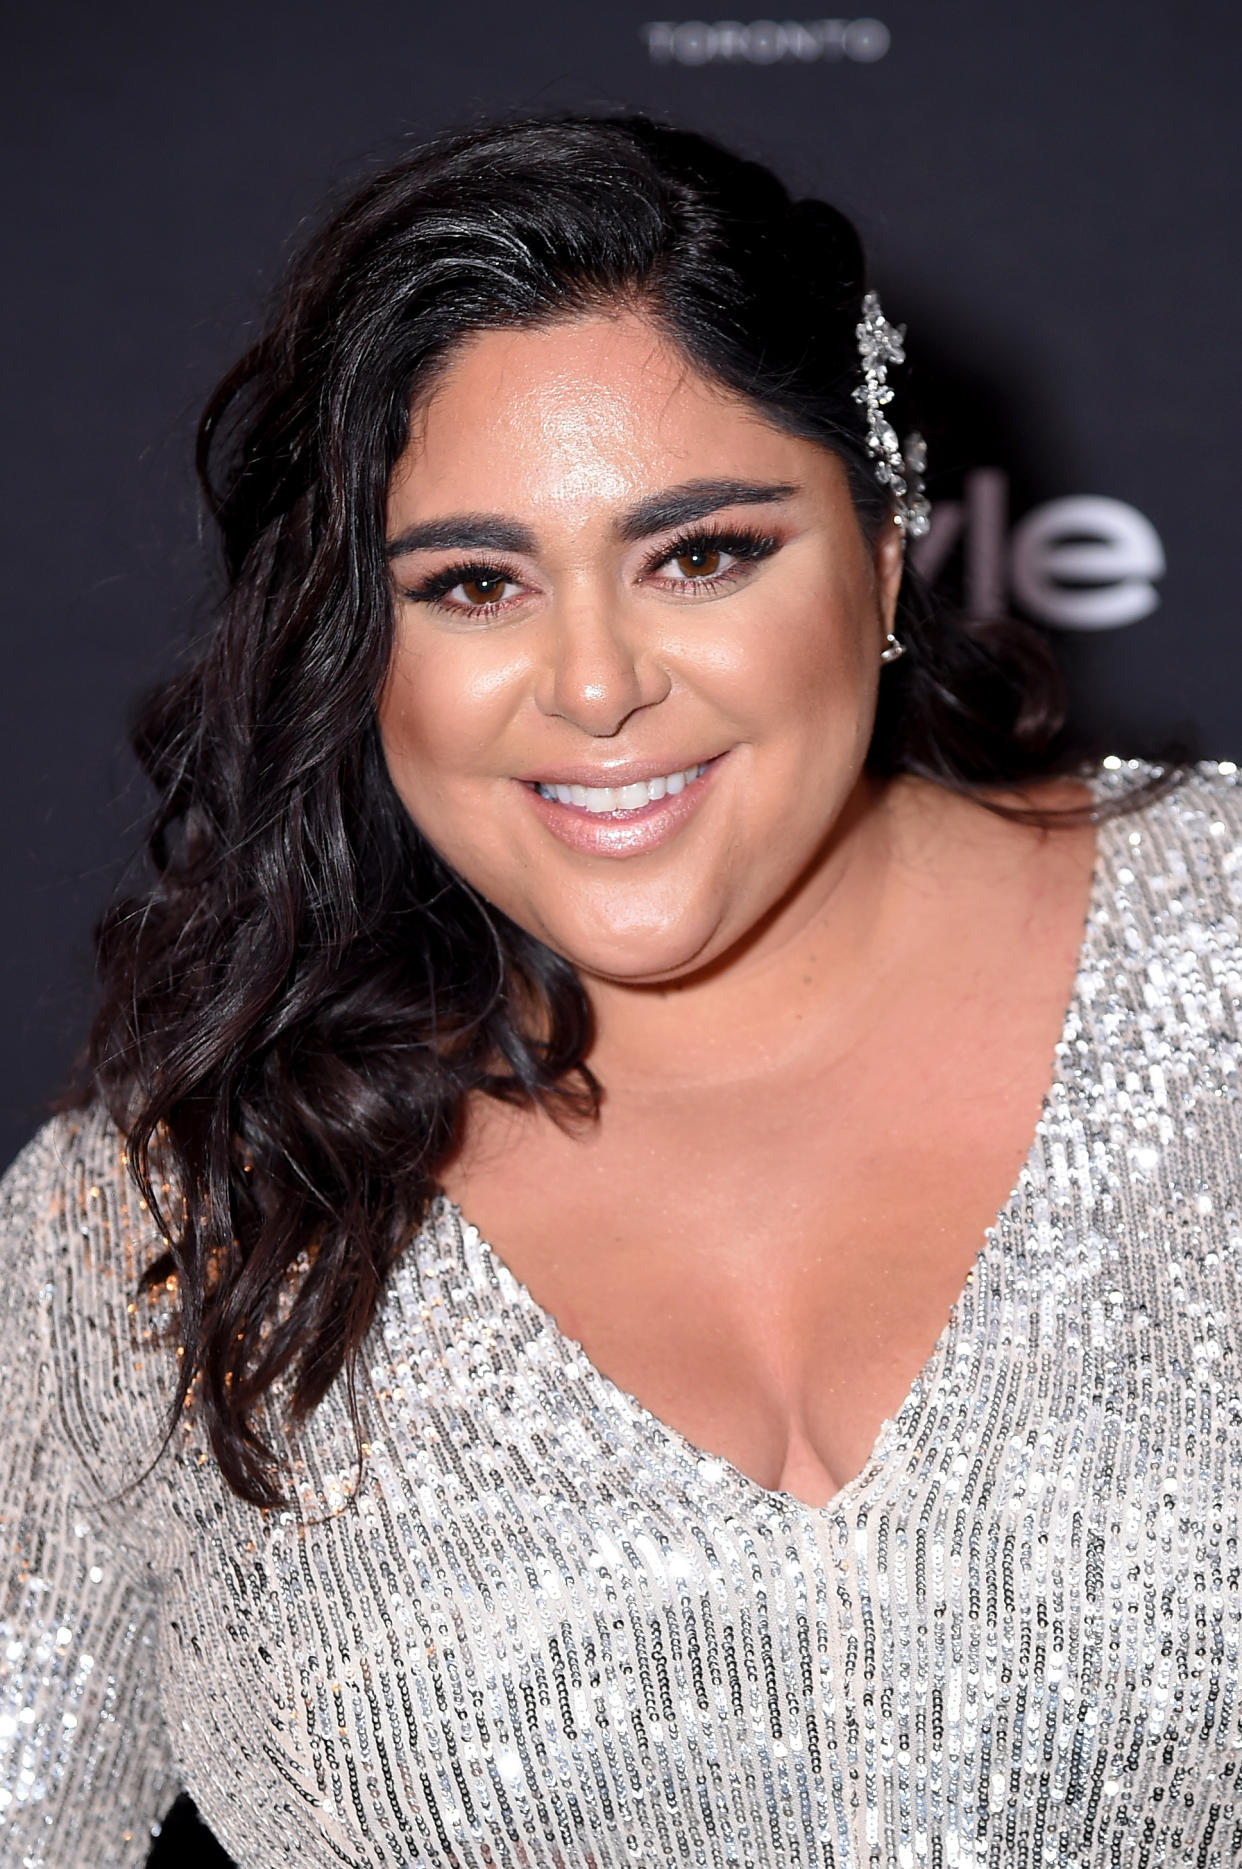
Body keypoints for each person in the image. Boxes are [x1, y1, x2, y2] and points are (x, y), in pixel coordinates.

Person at [1, 111, 1239, 1869]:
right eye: (472, 583)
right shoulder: (155, 1229)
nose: (592, 686)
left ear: (880, 558)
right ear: (361, 642)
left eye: (699, 553)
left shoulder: (1223, 958)